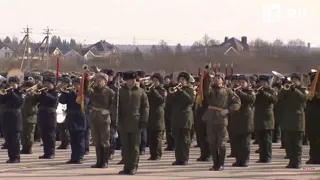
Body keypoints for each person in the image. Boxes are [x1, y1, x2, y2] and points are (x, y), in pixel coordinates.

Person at [202, 72, 241, 171]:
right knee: (212, 142)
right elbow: (205, 92)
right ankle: (215, 164)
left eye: (219, 78)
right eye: (216, 77)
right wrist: (207, 78)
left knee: (221, 143)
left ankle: (221, 164)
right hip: (210, 118)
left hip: (221, 119)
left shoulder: (227, 91)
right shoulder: (211, 89)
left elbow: (237, 102)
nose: (217, 79)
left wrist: (228, 110)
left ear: (222, 80)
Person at [115, 71, 149, 175]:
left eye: (135, 79)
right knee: (125, 146)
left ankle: (134, 166)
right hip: (123, 122)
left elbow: (145, 107)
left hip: (136, 122)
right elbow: (115, 106)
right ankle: (127, 166)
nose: (134, 81)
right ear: (127, 80)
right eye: (131, 79)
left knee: (134, 146)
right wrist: (115, 119)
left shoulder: (141, 92)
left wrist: (144, 120)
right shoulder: (120, 91)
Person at [86, 72, 115, 168]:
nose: (99, 81)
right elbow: (85, 92)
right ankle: (99, 161)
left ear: (105, 81)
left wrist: (108, 111)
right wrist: (88, 80)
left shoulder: (110, 92)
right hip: (94, 116)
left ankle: (105, 161)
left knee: (105, 140)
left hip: (104, 118)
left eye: (101, 79)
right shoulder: (93, 89)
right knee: (96, 140)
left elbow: (114, 104)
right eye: (98, 79)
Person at [278, 73, 307, 168]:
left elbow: (303, 98)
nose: (293, 81)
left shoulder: (303, 90)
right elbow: (279, 98)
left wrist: (295, 90)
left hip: (298, 120)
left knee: (297, 144)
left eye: (296, 80)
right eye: (292, 79)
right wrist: (284, 88)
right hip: (287, 120)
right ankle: (291, 162)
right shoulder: (287, 89)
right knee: (289, 143)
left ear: (300, 81)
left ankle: (297, 162)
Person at [59, 77, 88, 164]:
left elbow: (84, 102)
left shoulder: (84, 93)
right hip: (71, 117)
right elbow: (62, 101)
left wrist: (76, 93)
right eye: (74, 84)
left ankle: (80, 156)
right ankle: (73, 157)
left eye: (77, 84)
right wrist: (64, 93)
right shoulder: (69, 93)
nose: (75, 86)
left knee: (80, 138)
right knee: (73, 138)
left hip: (80, 116)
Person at [230, 75, 255, 167]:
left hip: (246, 120)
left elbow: (252, 99)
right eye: (239, 82)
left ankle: (245, 160)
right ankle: (238, 160)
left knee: (245, 143)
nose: (241, 84)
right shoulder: (235, 92)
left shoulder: (250, 91)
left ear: (247, 83)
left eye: (243, 82)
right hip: (237, 119)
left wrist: (240, 93)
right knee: (237, 142)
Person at [171, 72, 195, 166]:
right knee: (177, 139)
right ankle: (178, 159)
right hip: (176, 118)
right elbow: (170, 102)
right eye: (179, 79)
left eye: (183, 80)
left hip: (186, 118)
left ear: (187, 81)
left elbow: (190, 100)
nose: (180, 81)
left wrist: (182, 92)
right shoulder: (175, 91)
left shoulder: (190, 90)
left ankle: (185, 158)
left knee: (185, 140)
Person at [0, 76, 24, 163]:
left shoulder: (20, 92)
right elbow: (1, 101)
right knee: (8, 138)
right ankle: (11, 157)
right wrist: (4, 93)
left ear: (18, 84)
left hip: (16, 116)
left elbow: (19, 102)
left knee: (15, 138)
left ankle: (16, 157)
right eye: (11, 83)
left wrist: (12, 93)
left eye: (14, 83)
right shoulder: (7, 92)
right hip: (7, 116)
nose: (12, 85)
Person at [254, 75, 277, 163]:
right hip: (258, 117)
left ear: (268, 83)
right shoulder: (257, 91)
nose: (262, 84)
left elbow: (274, 100)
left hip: (267, 118)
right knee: (260, 139)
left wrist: (264, 93)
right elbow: (253, 101)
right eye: (261, 82)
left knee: (267, 140)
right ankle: (262, 158)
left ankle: (267, 157)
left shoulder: (271, 91)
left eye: (264, 83)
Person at [37, 76, 59, 159]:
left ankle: (51, 153)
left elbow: (54, 100)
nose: (46, 85)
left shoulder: (55, 92)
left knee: (50, 135)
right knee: (44, 134)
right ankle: (46, 152)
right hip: (42, 114)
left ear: (53, 85)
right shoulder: (42, 92)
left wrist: (45, 93)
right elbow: (37, 100)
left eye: (48, 83)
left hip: (51, 115)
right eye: (45, 83)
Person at [146, 73, 166, 160]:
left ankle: (158, 154)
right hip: (150, 115)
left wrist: (154, 91)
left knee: (157, 138)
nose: (154, 82)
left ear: (160, 82)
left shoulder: (162, 90)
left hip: (158, 115)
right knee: (151, 137)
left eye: (156, 81)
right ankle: (152, 154)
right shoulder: (149, 90)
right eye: (153, 80)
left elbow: (161, 100)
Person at [305, 71, 320, 164]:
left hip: (317, 118)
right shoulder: (309, 90)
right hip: (311, 118)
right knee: (312, 139)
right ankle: (313, 158)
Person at [20, 80, 39, 154]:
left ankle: (29, 147)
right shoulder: (23, 94)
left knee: (29, 134)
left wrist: (31, 93)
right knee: (23, 134)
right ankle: (24, 147)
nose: (26, 89)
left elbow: (36, 101)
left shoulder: (34, 95)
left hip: (31, 116)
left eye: (28, 87)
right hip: (23, 116)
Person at [56, 77, 71, 149]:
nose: (62, 84)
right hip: (59, 110)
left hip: (66, 110)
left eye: (64, 83)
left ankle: (66, 142)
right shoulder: (60, 90)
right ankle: (63, 142)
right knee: (61, 127)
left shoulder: (69, 90)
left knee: (65, 128)